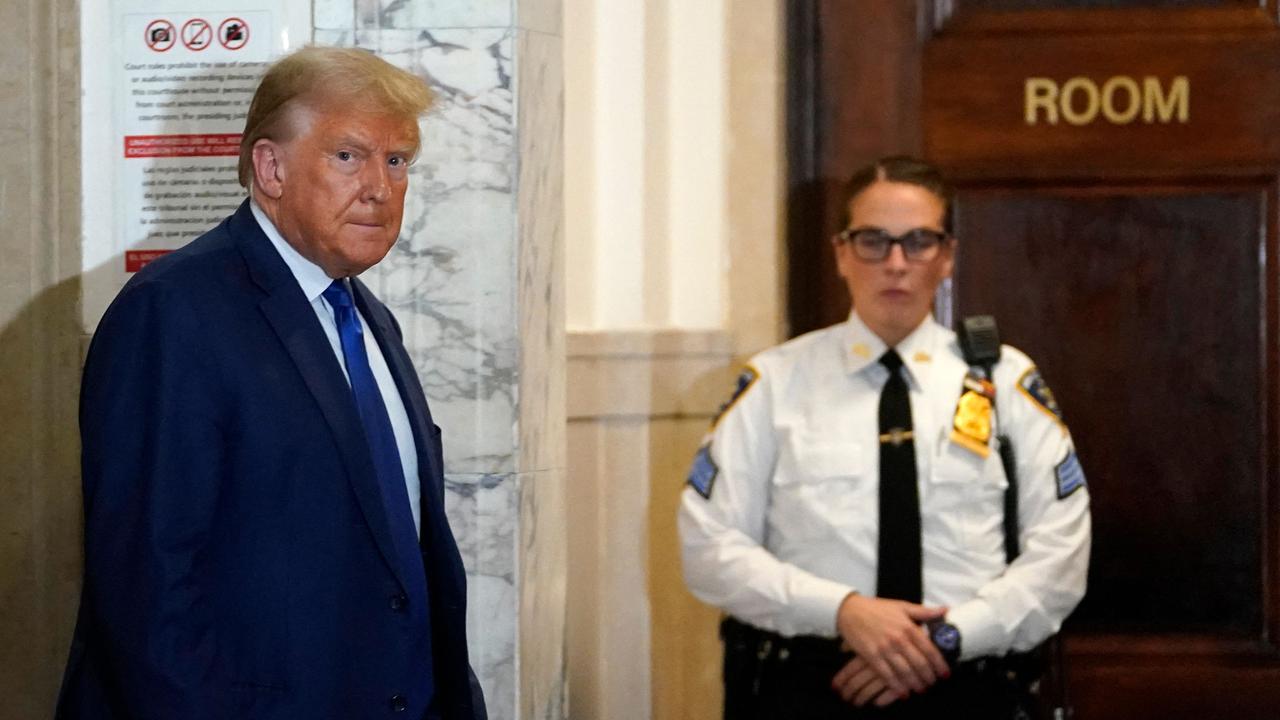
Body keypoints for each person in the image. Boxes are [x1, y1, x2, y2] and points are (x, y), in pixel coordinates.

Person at [56, 46, 486, 720]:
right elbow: (149, 595)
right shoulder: (173, 312)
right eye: (349, 156)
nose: (379, 186)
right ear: (271, 167)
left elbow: (406, 567)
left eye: (397, 160)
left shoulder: (370, 321)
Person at [677, 156, 1090, 719]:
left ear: (947, 257)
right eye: (873, 241)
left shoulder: (1007, 381)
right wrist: (843, 611)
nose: (896, 263)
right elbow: (708, 546)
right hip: (812, 687)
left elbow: (1061, 556)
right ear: (841, 253)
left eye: (918, 241)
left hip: (970, 685)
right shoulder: (775, 384)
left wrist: (946, 640)